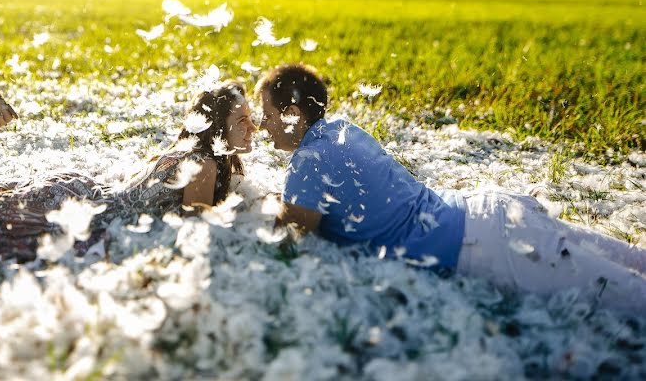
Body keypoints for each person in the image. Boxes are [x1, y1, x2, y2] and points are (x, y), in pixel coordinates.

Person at [256, 63, 646, 315]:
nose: (261, 126)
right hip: (489, 212)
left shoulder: (307, 163)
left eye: (267, 115)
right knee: (631, 261)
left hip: (485, 246)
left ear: (292, 114)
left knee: (631, 298)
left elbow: (290, 235)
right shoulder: (341, 129)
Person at [0, 63, 257, 265]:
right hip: (82, 214)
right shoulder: (204, 165)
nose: (252, 127)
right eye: (241, 120)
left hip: (80, 194)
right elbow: (195, 235)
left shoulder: (186, 150)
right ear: (217, 125)